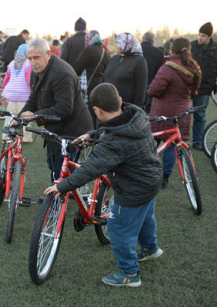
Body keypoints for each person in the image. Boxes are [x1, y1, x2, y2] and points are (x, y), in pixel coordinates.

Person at [44, 83, 163, 287]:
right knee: (145, 217)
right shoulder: (136, 114)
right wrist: (93, 134)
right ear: (119, 100)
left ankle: (129, 273)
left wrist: (62, 186)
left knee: (118, 229)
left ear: (97, 110)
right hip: (152, 179)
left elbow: (90, 169)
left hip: (133, 189)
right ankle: (150, 249)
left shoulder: (114, 142)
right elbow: (117, 125)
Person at [19, 38, 93, 179]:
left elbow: (64, 108)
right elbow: (33, 99)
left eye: (36, 57)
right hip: (55, 129)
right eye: (29, 58)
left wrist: (35, 115)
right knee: (53, 165)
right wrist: (20, 116)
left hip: (72, 129)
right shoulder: (37, 71)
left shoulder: (61, 73)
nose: (32, 63)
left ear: (48, 54)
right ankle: (57, 196)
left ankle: (57, 198)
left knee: (61, 170)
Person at [148, 37, 201, 189]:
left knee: (153, 143)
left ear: (172, 49)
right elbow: (194, 92)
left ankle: (148, 172)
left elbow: (154, 90)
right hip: (183, 113)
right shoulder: (194, 67)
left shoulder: (168, 68)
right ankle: (165, 177)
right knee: (172, 145)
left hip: (163, 112)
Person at [72, 30, 111, 126]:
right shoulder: (105, 52)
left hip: (90, 85)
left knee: (90, 112)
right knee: (99, 112)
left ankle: (90, 133)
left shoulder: (88, 51)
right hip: (102, 85)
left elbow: (77, 69)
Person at [190, 22, 217, 151]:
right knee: (179, 114)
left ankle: (197, 141)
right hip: (187, 85)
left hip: (205, 87)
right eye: (199, 34)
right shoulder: (191, 46)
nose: (200, 37)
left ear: (209, 37)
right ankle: (175, 140)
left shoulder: (215, 49)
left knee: (200, 115)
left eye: (203, 35)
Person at [103, 33, 148, 108]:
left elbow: (141, 88)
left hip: (126, 108)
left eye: (118, 42)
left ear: (127, 43)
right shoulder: (114, 59)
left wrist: (136, 109)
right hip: (108, 106)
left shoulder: (139, 61)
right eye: (116, 42)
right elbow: (105, 78)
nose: (115, 45)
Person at [1, 44, 33, 143]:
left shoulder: (11, 63)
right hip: (24, 96)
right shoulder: (28, 64)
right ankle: (26, 137)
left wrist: (3, 90)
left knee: (10, 116)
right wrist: (33, 91)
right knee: (25, 117)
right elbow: (29, 80)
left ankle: (6, 137)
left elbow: (6, 79)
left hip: (12, 95)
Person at [141, 32, 164, 113]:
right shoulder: (159, 53)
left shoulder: (136, 50)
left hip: (137, 86)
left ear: (142, 39)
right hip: (151, 85)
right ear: (153, 41)